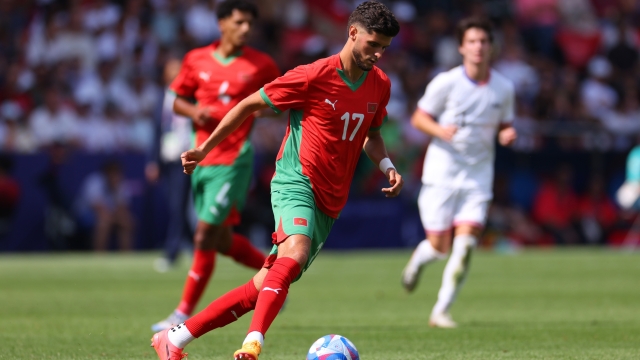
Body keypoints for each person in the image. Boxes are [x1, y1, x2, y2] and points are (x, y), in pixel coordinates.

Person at [150, 2, 402, 359]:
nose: (377, 54)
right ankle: (254, 343)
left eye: (384, 49)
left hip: (332, 198)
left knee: (264, 285)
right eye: (372, 44)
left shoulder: (379, 84)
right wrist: (205, 147)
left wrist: (387, 165)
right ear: (352, 33)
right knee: (294, 253)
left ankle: (174, 339)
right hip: (296, 180)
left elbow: (371, 134)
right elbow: (247, 104)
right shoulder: (313, 75)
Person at [150, 0, 282, 332]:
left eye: (250, 23)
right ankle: (275, 278)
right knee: (221, 240)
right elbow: (176, 99)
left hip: (234, 159)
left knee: (204, 232)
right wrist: (197, 114)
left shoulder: (262, 64)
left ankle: (182, 313)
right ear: (221, 23)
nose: (246, 29)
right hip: (200, 158)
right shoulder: (196, 59)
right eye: (239, 22)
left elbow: (277, 103)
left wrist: (252, 111)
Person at [400, 17, 517, 328]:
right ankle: (418, 261)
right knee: (440, 248)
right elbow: (418, 118)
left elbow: (504, 123)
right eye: (473, 41)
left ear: (491, 47)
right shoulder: (447, 82)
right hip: (442, 175)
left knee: (465, 247)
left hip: (478, 178)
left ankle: (441, 310)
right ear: (462, 47)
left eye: (484, 41)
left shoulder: (504, 87)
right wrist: (440, 130)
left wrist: (506, 133)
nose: (479, 47)